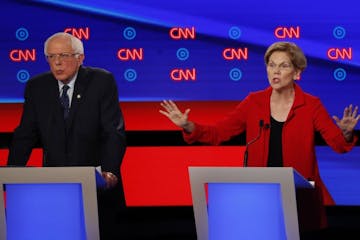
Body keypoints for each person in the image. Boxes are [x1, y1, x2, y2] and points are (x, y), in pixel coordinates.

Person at [160, 41, 359, 236]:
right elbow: (218, 133)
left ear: (297, 73)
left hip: (299, 196)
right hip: (262, 195)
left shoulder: (311, 105)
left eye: (284, 66)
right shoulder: (254, 102)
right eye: (271, 65)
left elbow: (339, 145)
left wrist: (347, 133)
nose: (276, 71)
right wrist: (188, 126)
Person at [7, 32, 127, 239]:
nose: (57, 63)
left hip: (98, 186)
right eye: (51, 57)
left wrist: (110, 172)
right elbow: (25, 134)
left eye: (64, 55)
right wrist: (11, 175)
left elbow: (113, 132)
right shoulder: (37, 87)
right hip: (56, 187)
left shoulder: (101, 81)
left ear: (80, 58)